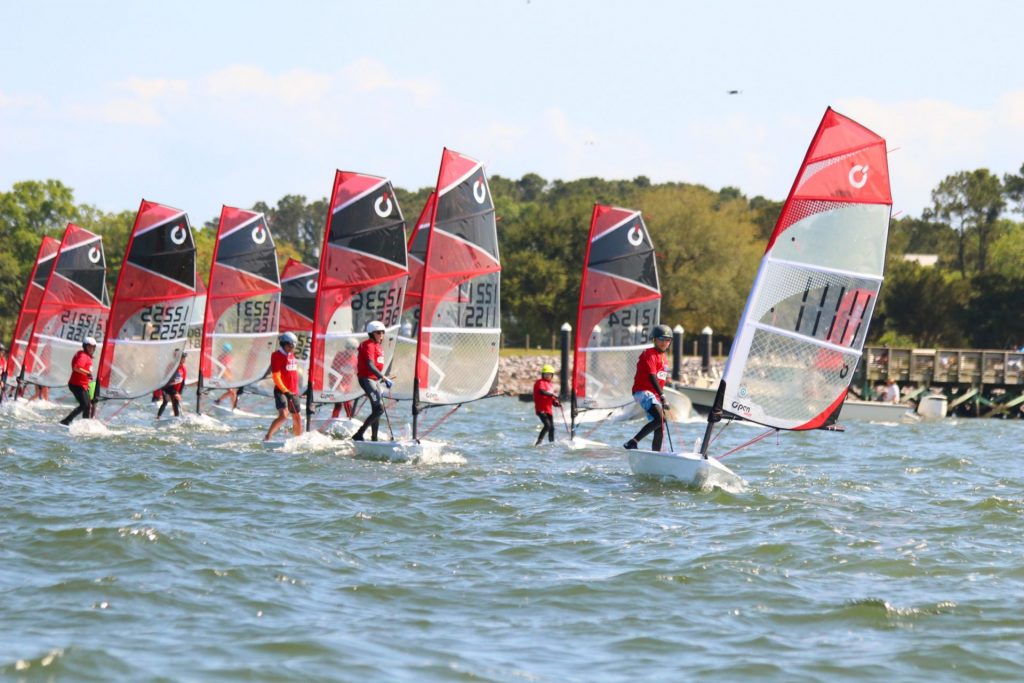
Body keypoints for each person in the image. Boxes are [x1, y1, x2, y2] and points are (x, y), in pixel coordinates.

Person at [623, 325, 673, 451]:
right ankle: (632, 442)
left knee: (660, 424)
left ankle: (656, 454)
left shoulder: (664, 359)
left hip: (654, 394)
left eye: (667, 340)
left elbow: (660, 381)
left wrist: (660, 397)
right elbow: (652, 376)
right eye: (661, 339)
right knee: (660, 419)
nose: (664, 342)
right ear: (654, 339)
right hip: (643, 392)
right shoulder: (649, 354)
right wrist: (662, 395)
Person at [351, 320, 393, 442]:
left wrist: (382, 377)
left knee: (376, 410)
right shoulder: (368, 345)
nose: (381, 335)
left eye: (382, 332)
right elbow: (370, 365)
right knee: (380, 409)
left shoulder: (378, 346)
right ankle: (359, 434)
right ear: (371, 333)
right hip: (367, 379)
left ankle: (374, 439)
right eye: (378, 333)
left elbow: (377, 364)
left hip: (375, 380)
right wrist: (383, 377)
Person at [265, 332, 303, 441]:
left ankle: (298, 440)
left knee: (297, 417)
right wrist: (285, 391)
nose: (293, 348)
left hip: (293, 391)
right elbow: (276, 376)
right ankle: (268, 437)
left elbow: (293, 375)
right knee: (284, 415)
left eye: (294, 346)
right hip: (281, 391)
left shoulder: (291, 355)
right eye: (291, 345)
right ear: (284, 344)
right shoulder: (276, 356)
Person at [60, 337, 97, 426]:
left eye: (93, 347)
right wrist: (87, 373)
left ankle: (85, 424)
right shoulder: (83, 356)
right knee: (84, 405)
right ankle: (66, 421)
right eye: (89, 347)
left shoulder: (85, 355)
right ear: (85, 346)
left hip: (82, 385)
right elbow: (76, 367)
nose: (91, 349)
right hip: (77, 385)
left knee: (88, 406)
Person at [532, 364, 560, 445]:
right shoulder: (540, 382)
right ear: (542, 374)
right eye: (546, 374)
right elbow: (542, 391)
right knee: (547, 425)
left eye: (549, 374)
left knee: (552, 428)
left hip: (548, 410)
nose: (547, 376)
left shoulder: (550, 385)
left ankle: (552, 443)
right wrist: (552, 395)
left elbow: (551, 398)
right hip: (541, 409)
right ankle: (538, 442)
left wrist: (555, 403)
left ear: (552, 375)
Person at [157, 351, 188, 419]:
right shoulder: (172, 366)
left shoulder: (183, 369)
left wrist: (179, 393)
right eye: (184, 358)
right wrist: (174, 393)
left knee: (176, 403)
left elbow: (182, 383)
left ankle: (177, 418)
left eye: (185, 358)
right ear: (180, 359)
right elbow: (166, 380)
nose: (185, 359)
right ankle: (158, 417)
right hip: (167, 388)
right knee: (165, 402)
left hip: (175, 390)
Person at [213, 342, 238, 409]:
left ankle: (233, 406)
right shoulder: (221, 357)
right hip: (223, 376)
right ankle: (218, 400)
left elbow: (229, 367)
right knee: (231, 392)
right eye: (227, 351)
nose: (227, 352)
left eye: (228, 351)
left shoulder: (228, 357)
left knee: (233, 392)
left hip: (228, 376)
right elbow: (222, 367)